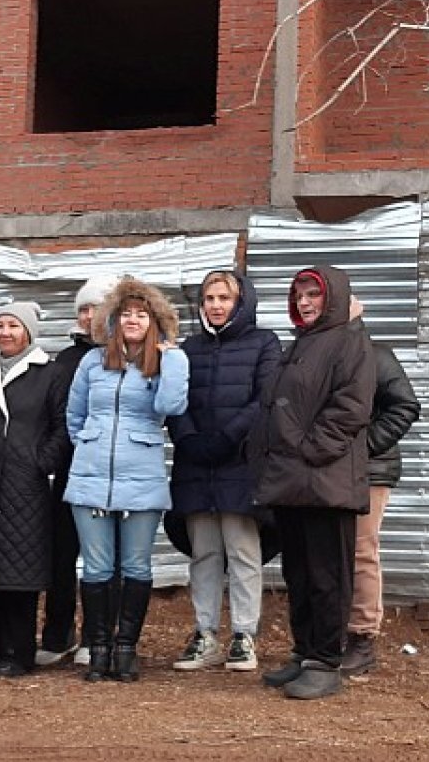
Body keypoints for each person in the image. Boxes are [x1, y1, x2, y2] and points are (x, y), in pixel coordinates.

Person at [251, 266, 374, 700]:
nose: (304, 302)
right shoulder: (302, 343)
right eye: (298, 294)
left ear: (333, 298)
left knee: (327, 576)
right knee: (299, 574)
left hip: (325, 483)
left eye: (313, 295)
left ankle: (326, 661)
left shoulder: (350, 341)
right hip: (292, 483)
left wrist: (310, 449)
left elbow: (351, 408)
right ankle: (305, 653)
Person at [63, 277, 189, 683]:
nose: (133, 320)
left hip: (143, 477)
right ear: (113, 321)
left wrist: (172, 359)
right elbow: (74, 416)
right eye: (126, 314)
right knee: (97, 567)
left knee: (136, 564)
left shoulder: (165, 361)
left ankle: (126, 649)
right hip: (90, 477)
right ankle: (97, 648)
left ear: (154, 322)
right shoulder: (92, 362)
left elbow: (170, 406)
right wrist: (88, 445)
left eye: (141, 314)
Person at [167, 271, 280, 673]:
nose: (216, 305)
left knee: (243, 552)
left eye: (224, 298)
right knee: (204, 554)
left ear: (241, 301)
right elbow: (174, 398)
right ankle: (205, 634)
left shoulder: (264, 343)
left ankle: (244, 636)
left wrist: (227, 439)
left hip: (240, 465)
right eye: (210, 298)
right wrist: (189, 440)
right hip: (196, 465)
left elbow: (264, 399)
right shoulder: (189, 348)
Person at [0, 303, 71, 677]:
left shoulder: (49, 374)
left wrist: (41, 463)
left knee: (19, 570)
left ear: (29, 333)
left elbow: (62, 426)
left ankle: (18, 653)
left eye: (13, 326)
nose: (4, 332)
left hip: (26, 484)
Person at [36, 274, 121, 669]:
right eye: (83, 309)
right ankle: (58, 633)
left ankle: (97, 634)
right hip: (70, 471)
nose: (89, 316)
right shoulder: (65, 361)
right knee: (60, 554)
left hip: (110, 474)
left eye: (96, 307)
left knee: (103, 558)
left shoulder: (128, 355)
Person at [341, 298, 421, 676]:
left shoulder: (377, 355)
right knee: (332, 554)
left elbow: (405, 406)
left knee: (360, 550)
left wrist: (366, 447)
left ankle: (362, 637)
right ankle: (333, 634)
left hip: (371, 472)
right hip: (330, 472)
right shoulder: (319, 354)